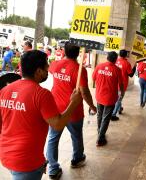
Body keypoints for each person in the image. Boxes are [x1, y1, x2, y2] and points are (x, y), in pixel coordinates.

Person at [0, 50, 82, 180]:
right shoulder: (41, 94)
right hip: (26, 161)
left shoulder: (5, 90)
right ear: (38, 71)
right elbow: (58, 124)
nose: (48, 69)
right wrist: (73, 103)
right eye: (46, 66)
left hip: (6, 155)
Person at [46, 43, 97, 179]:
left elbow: (51, 71)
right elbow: (84, 92)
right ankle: (77, 159)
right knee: (76, 136)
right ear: (79, 52)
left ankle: (53, 168)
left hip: (55, 108)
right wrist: (92, 106)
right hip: (73, 110)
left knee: (52, 138)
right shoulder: (79, 69)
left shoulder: (55, 64)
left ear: (64, 51)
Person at [92, 51, 124, 146]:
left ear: (107, 57)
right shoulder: (117, 70)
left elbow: (93, 78)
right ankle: (100, 138)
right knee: (105, 118)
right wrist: (122, 92)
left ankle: (100, 132)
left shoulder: (99, 66)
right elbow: (121, 84)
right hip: (110, 98)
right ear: (115, 60)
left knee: (99, 115)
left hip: (99, 95)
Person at [111, 49, 136, 121]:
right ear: (126, 55)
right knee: (119, 99)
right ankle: (113, 114)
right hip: (122, 85)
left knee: (118, 98)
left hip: (113, 83)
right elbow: (131, 75)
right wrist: (134, 67)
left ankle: (119, 108)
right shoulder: (126, 63)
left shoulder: (115, 61)